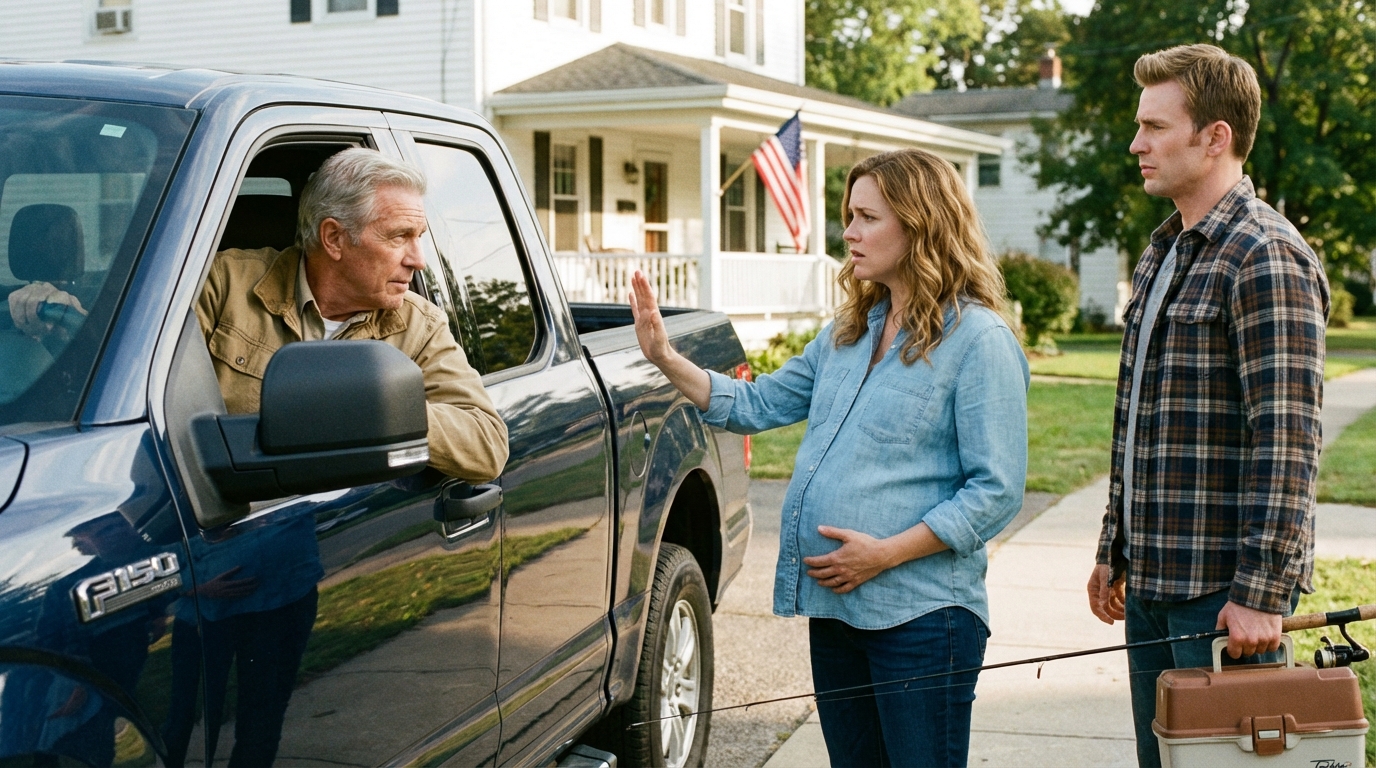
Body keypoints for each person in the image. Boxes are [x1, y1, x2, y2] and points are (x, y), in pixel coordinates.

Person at [630, 148, 1028, 767]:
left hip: (923, 619)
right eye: (850, 216)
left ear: (920, 224)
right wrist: (665, 356)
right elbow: (757, 403)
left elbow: (996, 491)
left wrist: (885, 553)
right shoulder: (850, 332)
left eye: (867, 217)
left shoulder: (979, 341)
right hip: (838, 610)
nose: (849, 233)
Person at [1083, 45, 1328, 767]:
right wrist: (1113, 549)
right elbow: (1141, 420)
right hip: (1152, 586)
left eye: (1155, 126)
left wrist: (1262, 593)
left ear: (1215, 136)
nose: (1136, 144)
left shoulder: (1264, 255)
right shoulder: (1164, 252)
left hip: (1222, 600)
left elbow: (1287, 441)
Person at [193, 147, 508, 482]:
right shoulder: (221, 284)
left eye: (419, 237)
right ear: (334, 238)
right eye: (399, 236)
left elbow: (487, 446)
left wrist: (383, 406)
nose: (418, 261)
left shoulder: (420, 325)